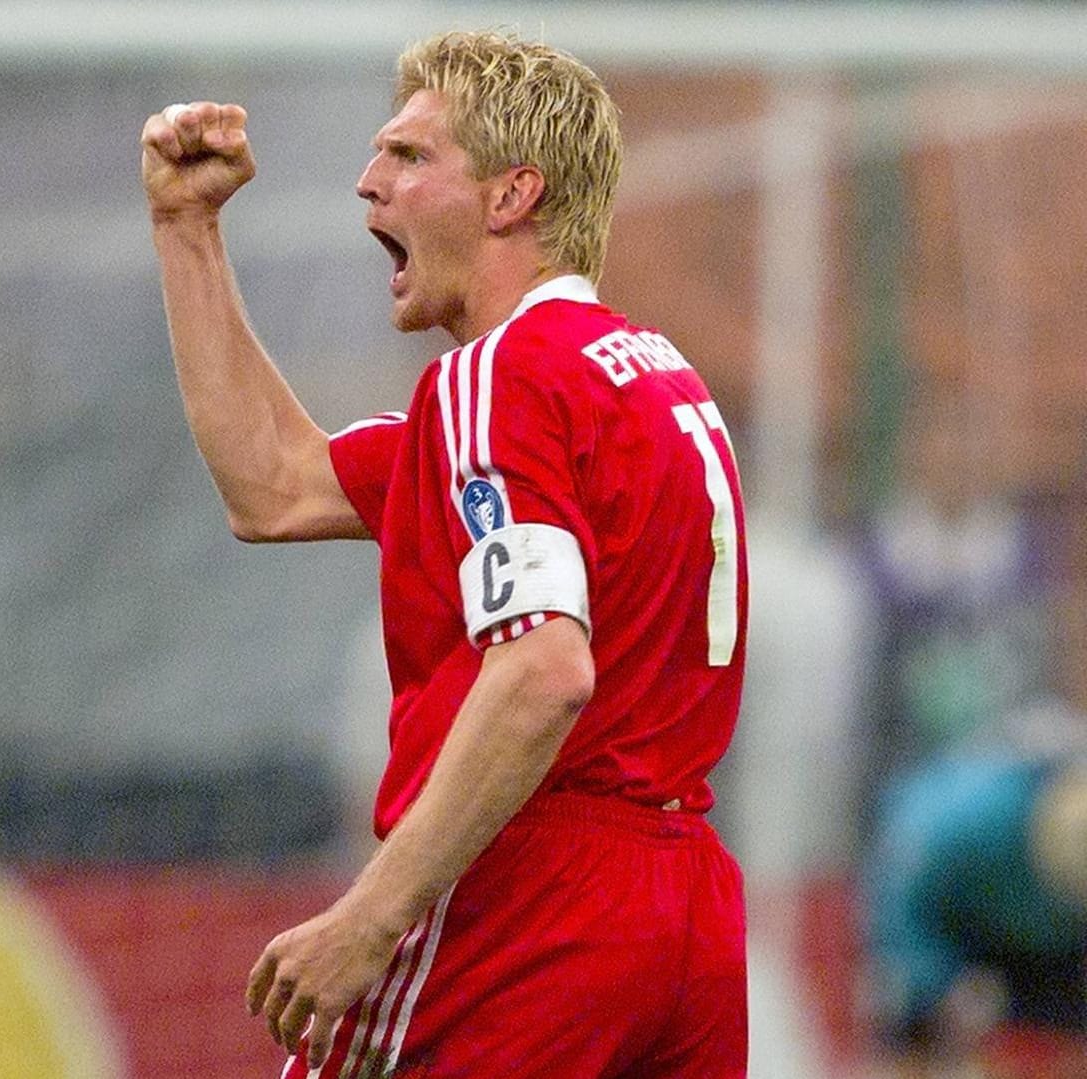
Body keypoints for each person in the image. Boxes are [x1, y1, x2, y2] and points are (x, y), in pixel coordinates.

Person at [141, 30, 748, 1077]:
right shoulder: (650, 377)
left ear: (512, 195)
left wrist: (371, 915)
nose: (368, 183)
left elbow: (544, 667)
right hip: (687, 904)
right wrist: (187, 228)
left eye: (410, 158)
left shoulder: (498, 378)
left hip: (530, 894)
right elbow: (277, 484)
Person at [862, 752, 1087, 1079]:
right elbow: (900, 900)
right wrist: (928, 983)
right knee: (913, 1019)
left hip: (1040, 939)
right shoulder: (962, 826)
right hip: (944, 921)